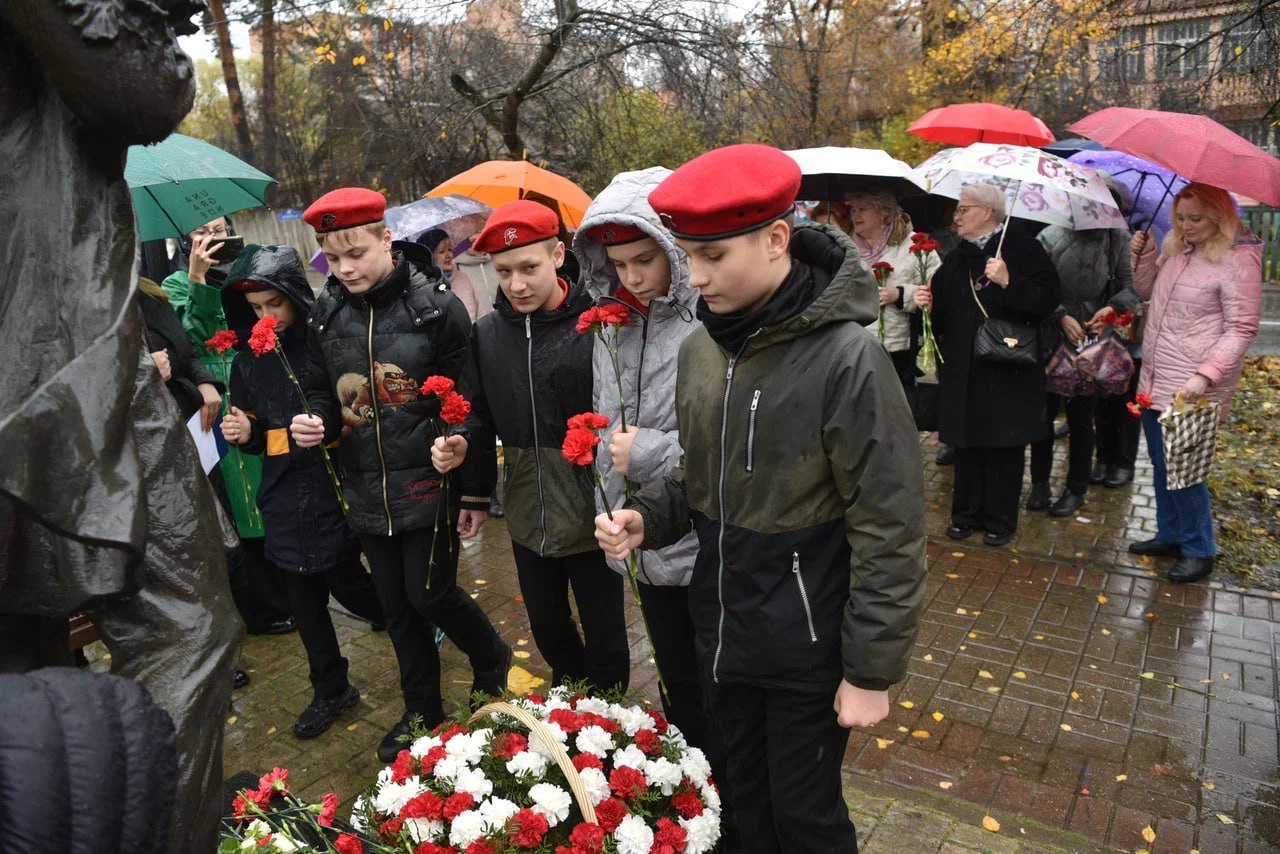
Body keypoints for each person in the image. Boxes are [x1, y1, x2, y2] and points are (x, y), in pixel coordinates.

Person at [595, 144, 926, 854]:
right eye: (689, 255)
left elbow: (890, 524)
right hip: (722, 629)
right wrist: (648, 516)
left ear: (777, 239)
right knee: (743, 801)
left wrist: (870, 672)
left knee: (804, 817)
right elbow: (700, 473)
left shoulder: (848, 359)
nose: (695, 276)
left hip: (808, 642)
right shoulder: (703, 349)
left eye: (713, 256)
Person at [290, 188, 510, 762]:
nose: (345, 268)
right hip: (364, 484)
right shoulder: (325, 314)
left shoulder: (435, 308)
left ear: (386, 239)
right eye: (333, 258)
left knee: (429, 593)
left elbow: (469, 400)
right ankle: (422, 710)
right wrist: (316, 420)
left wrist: (470, 474)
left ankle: (490, 654)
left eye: (356, 253)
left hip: (429, 481)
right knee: (395, 606)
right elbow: (319, 386)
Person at [572, 165, 724, 780]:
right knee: (674, 672)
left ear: (674, 249)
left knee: (713, 673)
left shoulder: (707, 321)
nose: (631, 277)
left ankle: (723, 782)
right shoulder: (610, 322)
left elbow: (728, 437)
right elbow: (606, 418)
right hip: (639, 531)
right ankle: (691, 783)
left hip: (698, 531)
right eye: (617, 264)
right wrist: (608, 501)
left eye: (644, 260)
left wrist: (653, 453)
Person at [453, 200, 630, 693]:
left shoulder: (597, 325)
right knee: (547, 625)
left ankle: (611, 712)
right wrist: (474, 491)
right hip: (527, 511)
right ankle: (568, 702)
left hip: (593, 508)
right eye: (504, 271)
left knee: (605, 631)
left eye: (529, 268)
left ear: (557, 255)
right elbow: (476, 414)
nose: (517, 284)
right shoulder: (488, 334)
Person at [220, 244, 387, 737]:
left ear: (295, 295)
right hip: (280, 493)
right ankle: (331, 688)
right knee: (303, 599)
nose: (266, 317)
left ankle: (404, 617)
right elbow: (256, 429)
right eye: (255, 308)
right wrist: (245, 433)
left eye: (275, 304)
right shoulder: (246, 361)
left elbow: (342, 405)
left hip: (328, 486)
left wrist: (323, 424)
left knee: (348, 582)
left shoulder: (322, 342)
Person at [161, 214, 296, 637]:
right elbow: (190, 342)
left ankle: (289, 589)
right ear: (185, 240)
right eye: (201, 231)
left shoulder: (243, 276)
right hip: (214, 402)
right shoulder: (175, 285)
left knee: (272, 488)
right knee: (240, 504)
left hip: (257, 389)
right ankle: (261, 608)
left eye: (219, 230)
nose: (212, 238)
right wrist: (197, 280)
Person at [1127, 183, 1262, 583]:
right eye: (1181, 218)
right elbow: (1147, 291)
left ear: (1219, 217)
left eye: (1196, 219)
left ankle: (1199, 549)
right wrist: (1144, 255)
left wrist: (1205, 376)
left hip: (1194, 383)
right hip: (1157, 376)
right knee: (1161, 462)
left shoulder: (1238, 259)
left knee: (1184, 468)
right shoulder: (1177, 249)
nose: (1186, 226)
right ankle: (1170, 534)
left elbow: (1242, 328)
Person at [914, 183, 1060, 546]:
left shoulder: (1024, 249)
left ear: (988, 212)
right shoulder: (956, 258)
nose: (956, 217)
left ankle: (1000, 519)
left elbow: (1047, 301)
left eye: (964, 209)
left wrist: (1009, 281)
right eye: (957, 210)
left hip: (1007, 366)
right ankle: (965, 514)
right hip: (964, 368)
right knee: (967, 443)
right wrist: (927, 305)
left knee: (1003, 446)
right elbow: (943, 317)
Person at [1029, 201, 1137, 516]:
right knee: (1043, 415)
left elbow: (1131, 289)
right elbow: (1035, 287)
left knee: (1081, 418)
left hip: (1092, 341)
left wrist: (1111, 310)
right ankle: (1039, 484)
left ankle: (1076, 489)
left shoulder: (1117, 238)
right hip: (1049, 337)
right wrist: (1059, 315)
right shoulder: (1050, 235)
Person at [847, 187, 940, 400]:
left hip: (896, 345)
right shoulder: (845, 246)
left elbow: (937, 291)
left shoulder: (916, 245)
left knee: (890, 405)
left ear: (884, 213)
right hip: (852, 341)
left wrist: (899, 294)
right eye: (853, 210)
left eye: (862, 209)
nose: (855, 215)